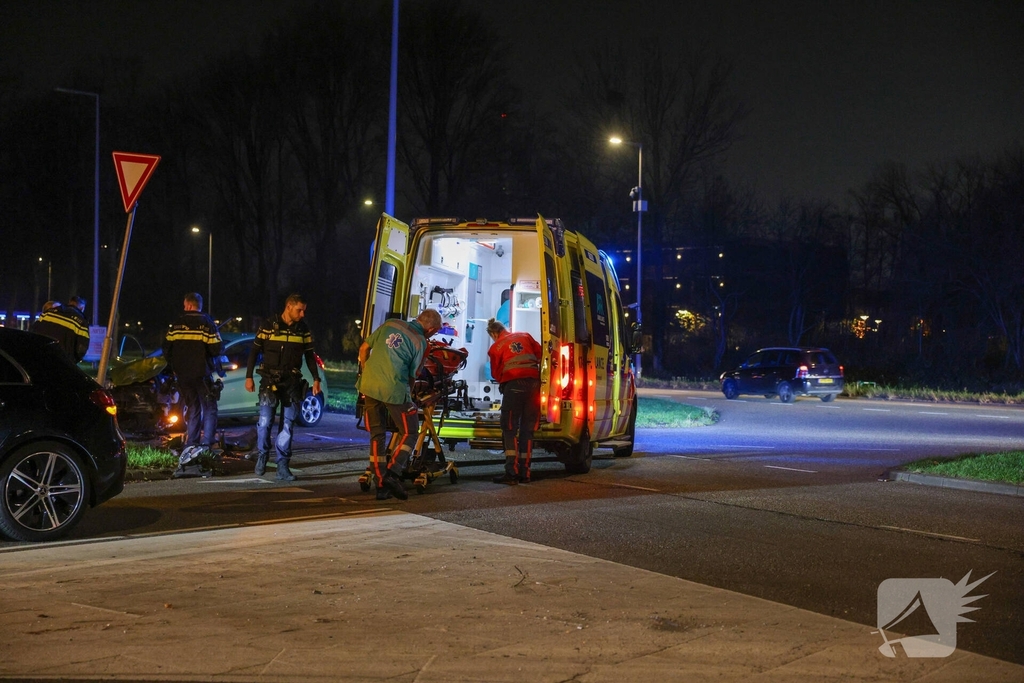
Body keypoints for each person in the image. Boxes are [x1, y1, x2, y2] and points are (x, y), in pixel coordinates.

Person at [357, 309, 442, 500]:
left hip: (369, 385)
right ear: (432, 329)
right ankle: (393, 474)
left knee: (377, 434)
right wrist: (409, 398)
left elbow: (363, 349)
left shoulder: (390, 324)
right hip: (393, 389)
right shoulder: (421, 343)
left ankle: (381, 485)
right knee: (410, 431)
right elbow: (412, 377)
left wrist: (366, 370)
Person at [245, 294, 321, 481]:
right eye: (299, 310)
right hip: (269, 381)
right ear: (288, 307)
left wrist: (316, 378)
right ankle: (262, 455)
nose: (302, 314)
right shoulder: (268, 325)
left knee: (287, 425)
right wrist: (248, 377)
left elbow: (310, 356)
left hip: (292, 382)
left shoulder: (303, 330)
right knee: (265, 422)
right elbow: (254, 351)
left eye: (304, 310)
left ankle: (282, 466)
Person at [163, 292, 223, 478]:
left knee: (193, 407)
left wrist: (175, 366)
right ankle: (206, 444)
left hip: (182, 375)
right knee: (210, 407)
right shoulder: (207, 323)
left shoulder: (176, 323)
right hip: (201, 374)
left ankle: (191, 443)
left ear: (188, 305)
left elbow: (166, 348)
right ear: (198, 305)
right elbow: (216, 348)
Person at [486, 318, 542, 484]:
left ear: (494, 333)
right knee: (527, 429)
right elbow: (539, 354)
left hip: (514, 387)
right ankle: (525, 472)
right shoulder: (525, 336)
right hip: (533, 385)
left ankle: (511, 472)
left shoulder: (496, 347)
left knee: (509, 428)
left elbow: (496, 373)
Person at [32, 295, 89, 362]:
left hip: (40, 358)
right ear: (82, 308)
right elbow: (81, 349)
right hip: (61, 363)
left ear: (70, 303)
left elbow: (34, 330)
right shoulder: (81, 322)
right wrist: (73, 362)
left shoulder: (48, 313)